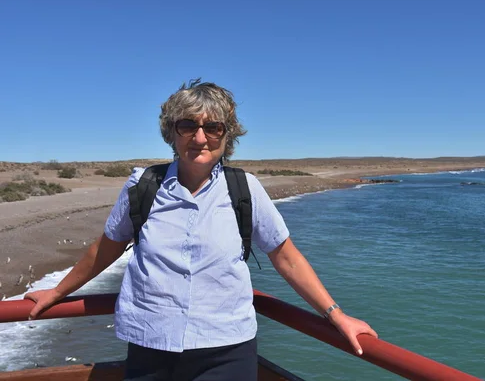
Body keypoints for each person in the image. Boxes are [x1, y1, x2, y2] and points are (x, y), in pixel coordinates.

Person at [25, 79, 378, 380]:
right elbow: (107, 247)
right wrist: (57, 293)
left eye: (213, 128)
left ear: (227, 136)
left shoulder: (245, 189)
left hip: (227, 350)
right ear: (171, 133)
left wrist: (336, 315)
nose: (200, 137)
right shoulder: (143, 185)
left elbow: (285, 257)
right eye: (187, 126)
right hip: (151, 343)